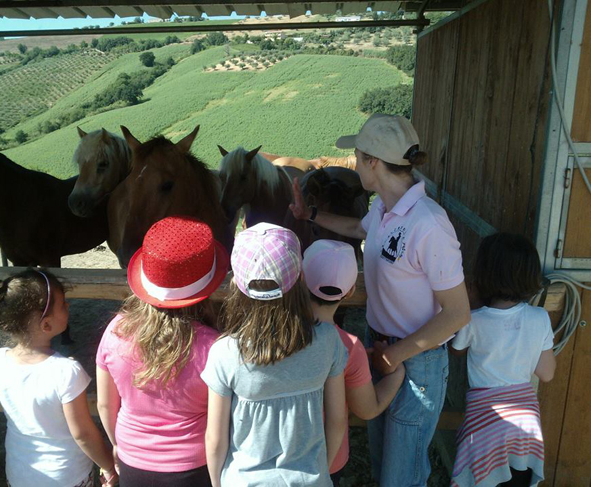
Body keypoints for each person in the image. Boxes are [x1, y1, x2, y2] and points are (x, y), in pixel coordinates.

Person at [289, 113, 471, 486]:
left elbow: (457, 313)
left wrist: (396, 354)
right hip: (382, 349)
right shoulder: (384, 208)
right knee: (383, 466)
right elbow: (358, 228)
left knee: (401, 478)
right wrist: (311, 215)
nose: (354, 165)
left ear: (372, 162)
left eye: (357, 157)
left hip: (415, 361)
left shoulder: (429, 224)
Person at [202, 223, 348, 487]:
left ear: (236, 283)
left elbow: (215, 439)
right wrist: (319, 473)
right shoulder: (328, 340)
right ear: (301, 278)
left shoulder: (224, 353)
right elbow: (338, 422)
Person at [96, 215, 229, 487]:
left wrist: (118, 447)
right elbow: (220, 428)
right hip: (195, 467)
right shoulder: (216, 348)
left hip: (133, 462)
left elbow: (105, 404)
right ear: (208, 286)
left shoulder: (116, 330)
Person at [0, 268, 116, 487]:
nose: (68, 306)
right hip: (66, 475)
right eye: (62, 305)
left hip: (19, 472)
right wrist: (108, 465)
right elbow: (83, 434)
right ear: (46, 325)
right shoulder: (66, 372)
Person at [449, 233, 556, 487]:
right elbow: (547, 373)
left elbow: (456, 350)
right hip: (526, 426)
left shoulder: (473, 320)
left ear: (484, 273)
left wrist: (470, 304)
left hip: (486, 423)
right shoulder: (540, 318)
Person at [302, 239, 406, 486]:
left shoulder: (281, 333)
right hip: (327, 460)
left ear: (300, 279)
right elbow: (367, 409)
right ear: (350, 292)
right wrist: (397, 372)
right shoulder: (349, 347)